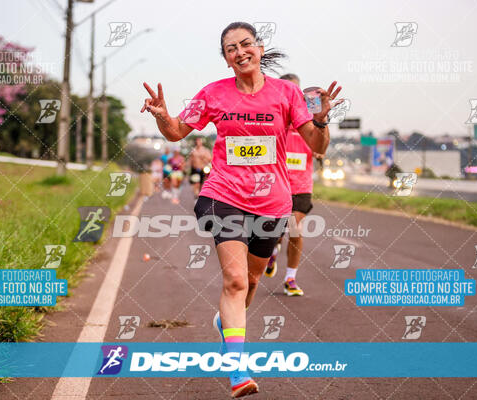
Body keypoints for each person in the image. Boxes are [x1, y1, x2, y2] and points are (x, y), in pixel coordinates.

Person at [141, 21, 340, 398]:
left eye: (246, 44)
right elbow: (177, 132)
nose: (240, 51)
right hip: (223, 196)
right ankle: (236, 369)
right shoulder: (214, 94)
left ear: (260, 48)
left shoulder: (287, 93)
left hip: (272, 202)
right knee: (233, 281)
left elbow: (319, 143)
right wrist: (161, 115)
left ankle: (226, 324)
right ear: (227, 58)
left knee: (249, 283)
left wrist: (321, 118)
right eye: (231, 48)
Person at [264, 74, 336, 297]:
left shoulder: (308, 120)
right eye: (288, 89)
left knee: (294, 228)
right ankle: (272, 250)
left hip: (301, 186)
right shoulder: (274, 117)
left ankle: (290, 279)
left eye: (297, 91)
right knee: (276, 232)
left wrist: (321, 119)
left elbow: (321, 148)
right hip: (276, 184)